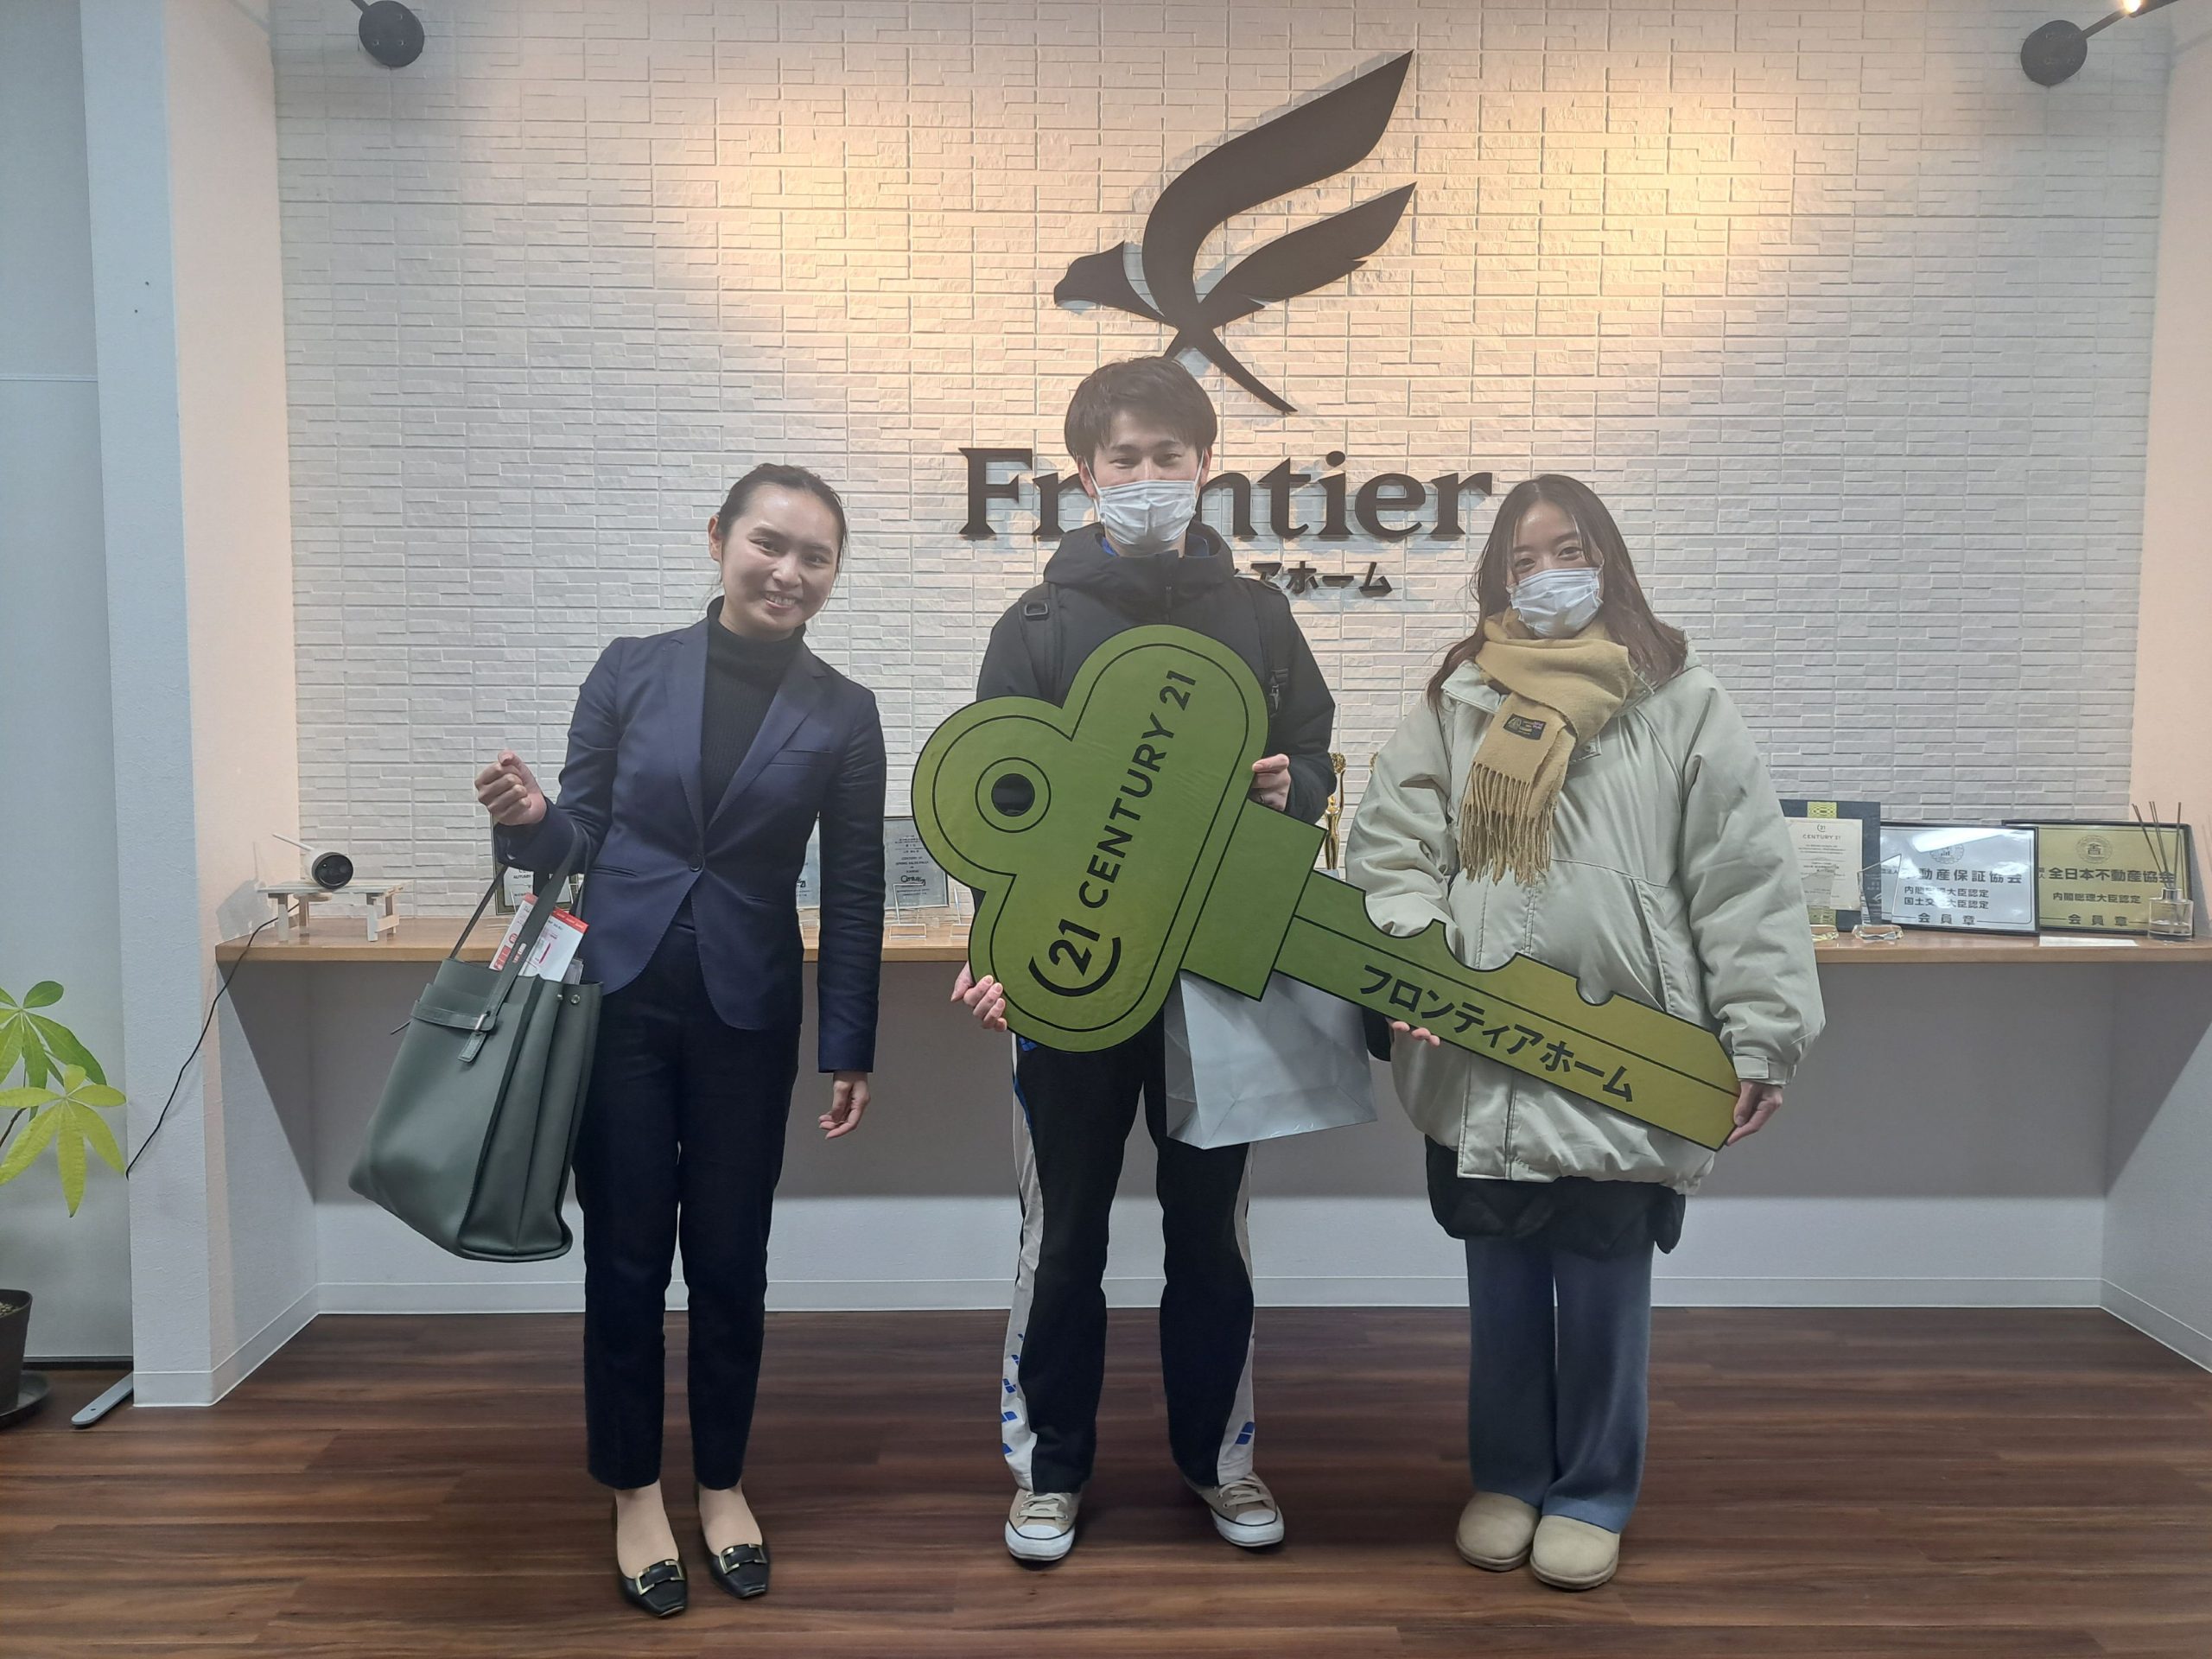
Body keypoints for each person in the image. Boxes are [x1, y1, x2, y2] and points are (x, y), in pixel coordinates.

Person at [1345, 474, 1823, 1592]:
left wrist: (1762, 1035)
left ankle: (1595, 1490)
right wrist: (1414, 963)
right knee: (1503, 1285)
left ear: (1609, 559)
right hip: (1480, 1047)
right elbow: (1393, 849)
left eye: (1568, 550)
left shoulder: (1681, 700)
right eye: (1523, 560)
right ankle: (1510, 1478)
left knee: (1606, 1287)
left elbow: (1744, 876)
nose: (1548, 574)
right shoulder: (1459, 698)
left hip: (1629, 1054)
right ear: (1496, 578)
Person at [474, 464, 886, 1618]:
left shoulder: (844, 711)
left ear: (833, 575)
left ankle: (722, 1482)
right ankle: (634, 1490)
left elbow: (855, 888)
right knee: (624, 1258)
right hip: (615, 1004)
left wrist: (848, 1043)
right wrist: (530, 822)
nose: (789, 572)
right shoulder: (631, 668)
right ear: (718, 540)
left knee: (733, 1258)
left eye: (815, 557)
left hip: (749, 1012)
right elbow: (579, 835)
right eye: (769, 544)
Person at [952, 356, 1337, 1562]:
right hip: (1068, 977)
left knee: (1209, 1232)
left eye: (1170, 456)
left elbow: (1318, 755)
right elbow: (993, 807)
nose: (1149, 476)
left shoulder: (1261, 618)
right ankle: (1048, 1470)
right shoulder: (1036, 626)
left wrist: (1293, 785)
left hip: (1216, 978)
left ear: (1207, 467)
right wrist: (996, 953)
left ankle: (1220, 1460)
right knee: (1063, 1234)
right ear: (1086, 475)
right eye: (1125, 458)